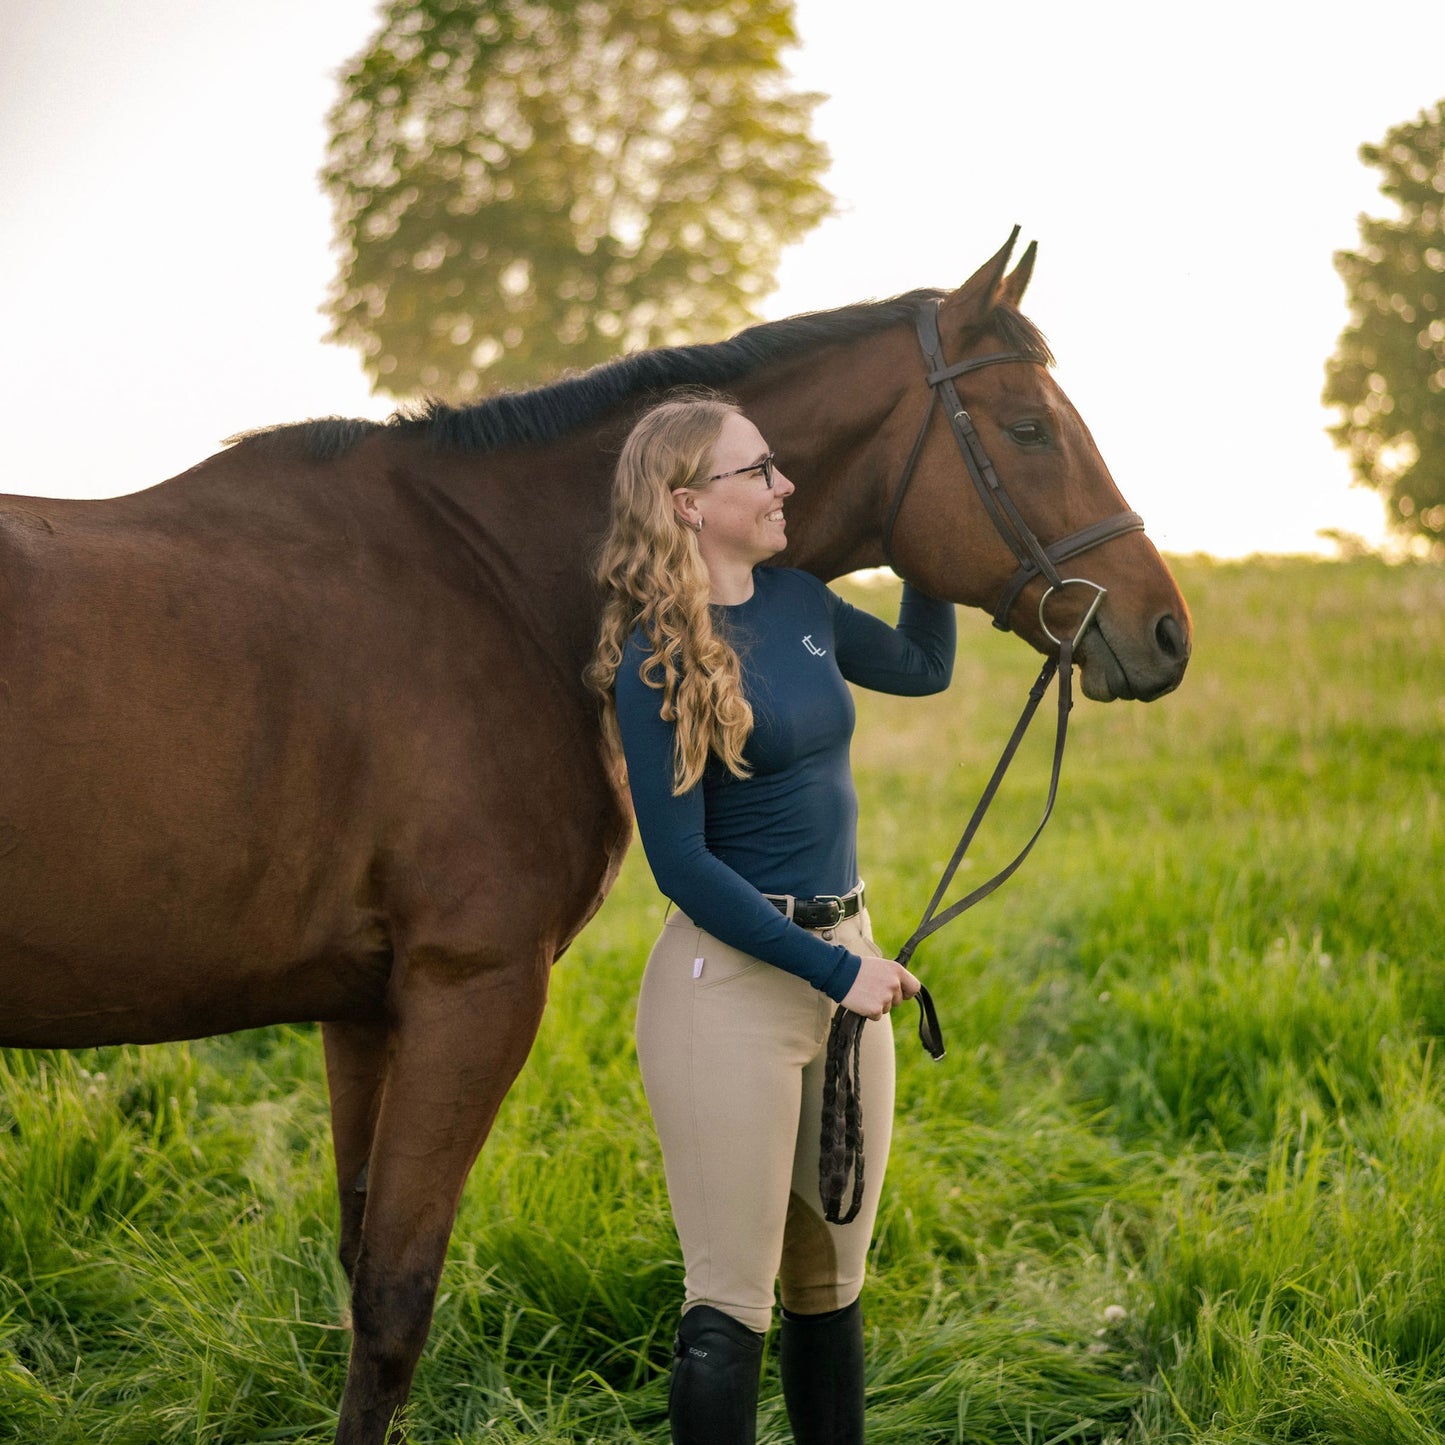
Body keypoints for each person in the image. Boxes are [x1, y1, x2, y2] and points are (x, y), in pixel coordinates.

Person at [587, 392, 955, 1445]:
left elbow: (922, 669)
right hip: (729, 992)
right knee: (731, 1299)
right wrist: (832, 972)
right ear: (687, 502)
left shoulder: (800, 599)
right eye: (756, 472)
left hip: (849, 956)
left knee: (830, 1282)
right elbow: (682, 866)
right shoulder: (660, 653)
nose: (782, 484)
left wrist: (925, 543)